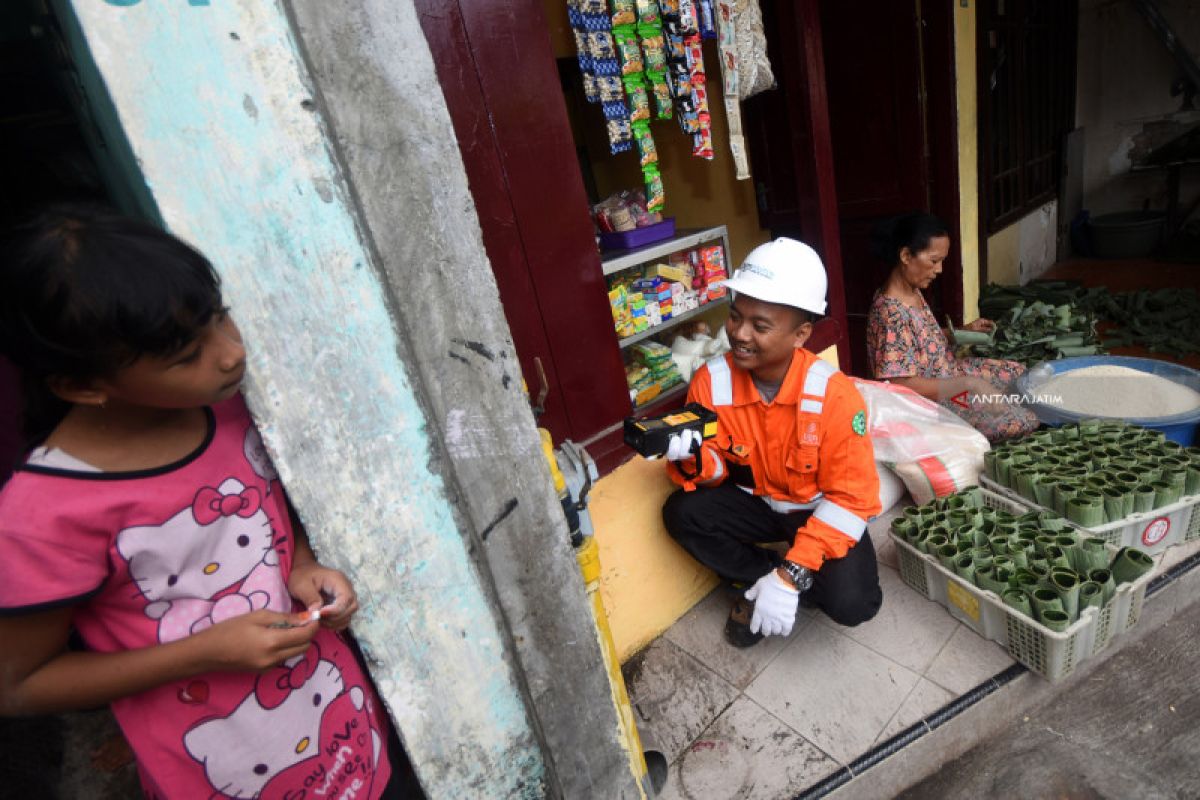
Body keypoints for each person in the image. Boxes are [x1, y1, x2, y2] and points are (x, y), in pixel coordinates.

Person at [0, 207, 407, 799]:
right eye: (185, 355)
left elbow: (267, 509)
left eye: (220, 319)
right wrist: (204, 652)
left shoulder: (227, 409)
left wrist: (300, 564)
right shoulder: (42, 516)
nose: (229, 353)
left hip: (341, 729)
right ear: (85, 386)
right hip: (225, 767)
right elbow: (19, 685)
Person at [661, 238, 883, 648]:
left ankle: (783, 583)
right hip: (756, 504)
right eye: (734, 317)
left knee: (855, 603)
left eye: (759, 326)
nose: (739, 335)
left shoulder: (833, 396)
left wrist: (792, 575)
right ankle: (758, 581)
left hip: (814, 509)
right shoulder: (712, 381)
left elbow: (853, 500)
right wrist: (693, 458)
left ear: (800, 334)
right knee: (683, 513)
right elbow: (715, 471)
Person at [865, 212, 1040, 442]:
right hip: (933, 403)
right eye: (934, 261)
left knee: (1021, 374)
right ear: (906, 255)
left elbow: (922, 341)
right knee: (1022, 419)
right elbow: (899, 383)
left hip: (951, 373)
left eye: (942, 261)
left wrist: (962, 332)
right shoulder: (890, 313)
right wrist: (969, 384)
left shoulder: (912, 290)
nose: (939, 270)